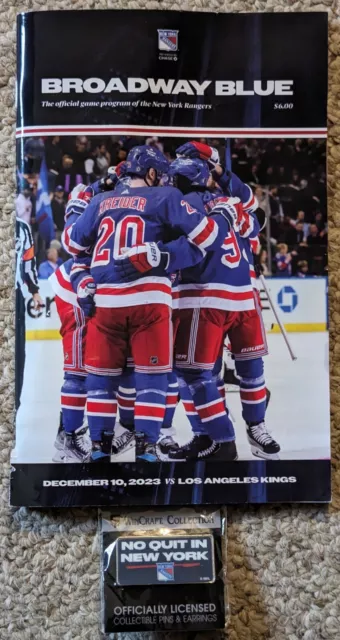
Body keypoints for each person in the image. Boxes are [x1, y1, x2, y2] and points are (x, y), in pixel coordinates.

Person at [63, 145, 223, 462]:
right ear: (151, 173)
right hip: (150, 300)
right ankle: (147, 449)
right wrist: (166, 251)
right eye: (160, 173)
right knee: (151, 379)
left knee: (100, 380)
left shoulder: (100, 201)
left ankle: (98, 449)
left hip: (105, 301)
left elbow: (71, 244)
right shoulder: (165, 196)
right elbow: (209, 239)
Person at [15, 217, 43, 409]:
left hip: (14, 294)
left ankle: (14, 403)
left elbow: (28, 262)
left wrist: (34, 291)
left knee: (17, 353)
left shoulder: (22, 227)